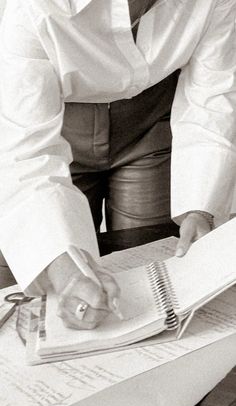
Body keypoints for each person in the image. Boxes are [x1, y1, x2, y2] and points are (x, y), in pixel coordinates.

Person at [0, 0, 235, 329]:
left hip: (150, 126)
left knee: (154, 273)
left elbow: (213, 98)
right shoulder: (31, 8)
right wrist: (67, 275)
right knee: (42, 276)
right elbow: (25, 155)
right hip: (54, 123)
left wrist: (202, 209)